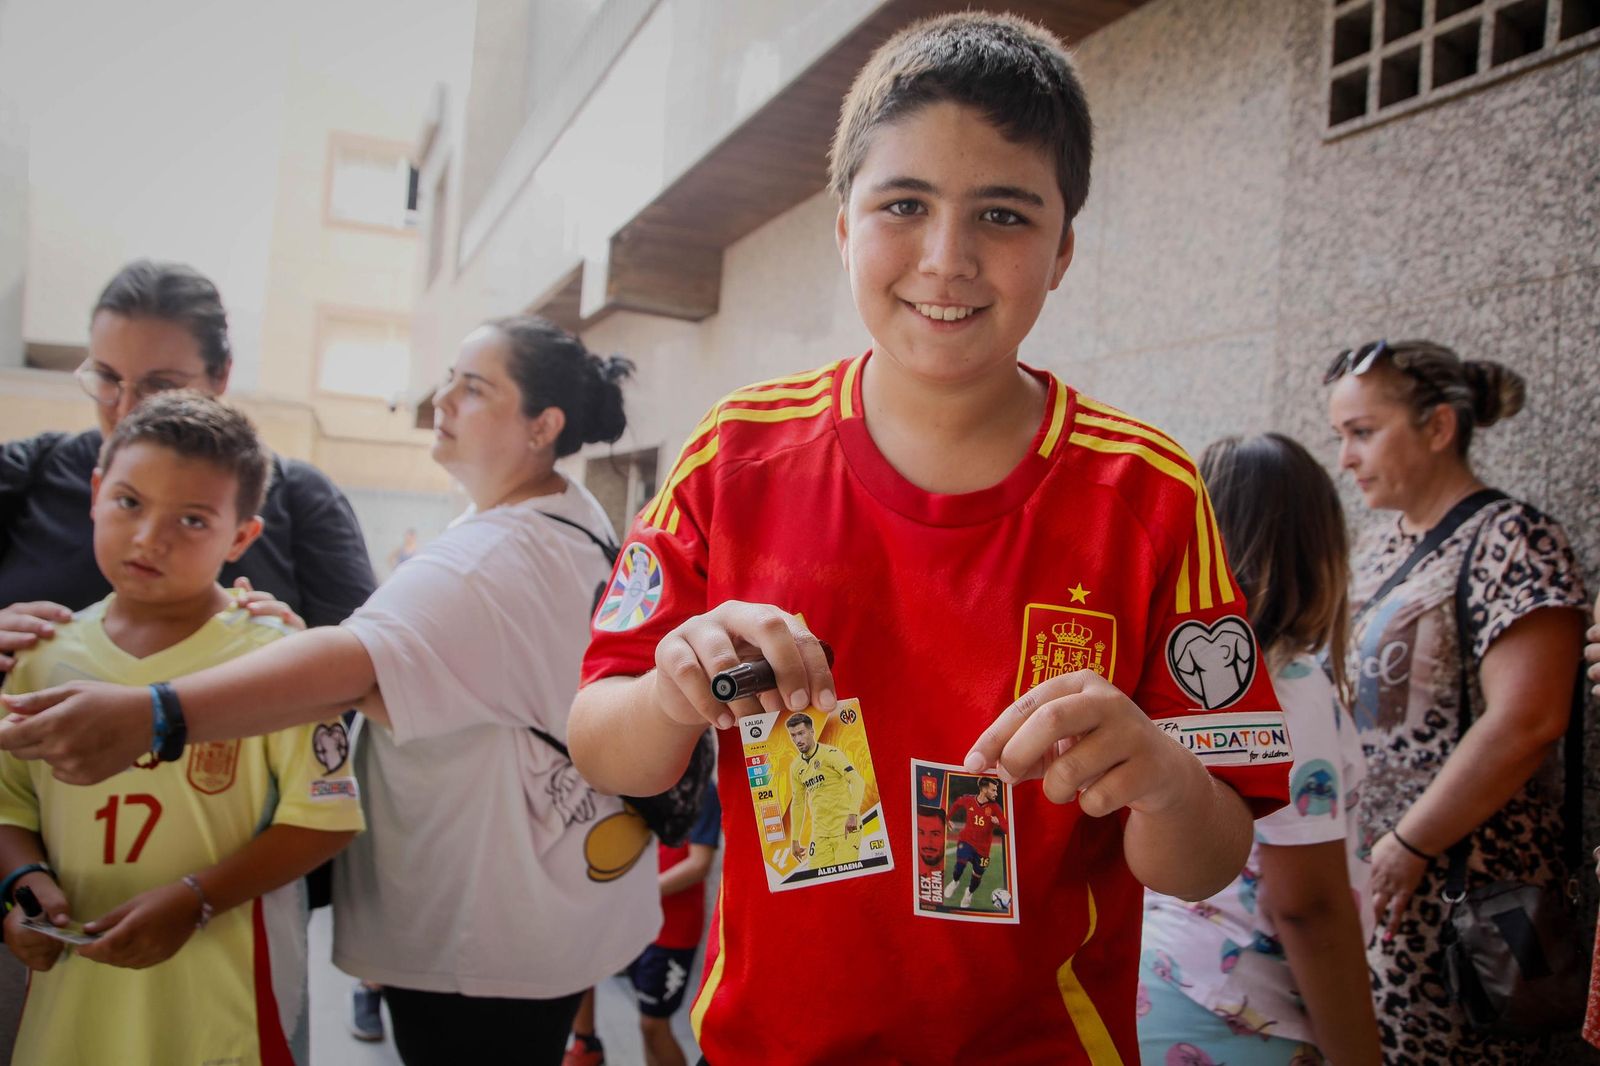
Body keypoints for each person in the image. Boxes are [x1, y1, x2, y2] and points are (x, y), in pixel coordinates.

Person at [564, 13, 1291, 1063]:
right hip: (769, 1044)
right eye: (904, 205)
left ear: (1063, 249)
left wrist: (1164, 774)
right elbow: (600, 735)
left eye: (1002, 213)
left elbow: (1210, 854)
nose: (947, 260)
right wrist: (673, 688)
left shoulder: (1148, 491)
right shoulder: (735, 455)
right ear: (843, 227)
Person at [0, 315, 661, 1066]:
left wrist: (155, 714)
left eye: (472, 388)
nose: (440, 400)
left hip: (486, 929)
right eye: (447, 378)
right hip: (551, 891)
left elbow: (348, 666)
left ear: (542, 425)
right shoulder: (561, 518)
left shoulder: (493, 553)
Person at [0, 258, 375, 1057]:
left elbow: (360, 673)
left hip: (226, 968)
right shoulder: (26, 477)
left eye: (160, 381)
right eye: (105, 378)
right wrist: (20, 886)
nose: (126, 405)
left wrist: (295, 663)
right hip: (62, 972)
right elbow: (11, 806)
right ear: (100, 491)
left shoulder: (294, 507)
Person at [1327, 339, 1587, 1065]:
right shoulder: (1376, 547)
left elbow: (1530, 719)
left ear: (1439, 428)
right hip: (1378, 892)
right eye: (1340, 436)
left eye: (1363, 432)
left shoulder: (1515, 538)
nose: (1346, 458)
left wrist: (1409, 844)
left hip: (1467, 904)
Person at [1140, 433, 1379, 1066]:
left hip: (1154, 982)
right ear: (1317, 551)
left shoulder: (1164, 678)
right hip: (1239, 1015)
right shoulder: (1288, 687)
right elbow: (1308, 908)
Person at [564, 778, 722, 1066]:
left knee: (653, 1027)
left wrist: (640, 891)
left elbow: (699, 865)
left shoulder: (701, 789)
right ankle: (585, 1043)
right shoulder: (638, 777)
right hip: (636, 924)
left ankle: (586, 1045)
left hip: (673, 931)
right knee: (580, 965)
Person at [784, 711, 864, 869]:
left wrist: (853, 814)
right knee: (816, 881)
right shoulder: (796, 767)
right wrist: (794, 840)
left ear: (812, 731)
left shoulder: (830, 754)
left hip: (846, 829)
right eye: (793, 735)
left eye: (801, 733)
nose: (798, 740)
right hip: (820, 834)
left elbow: (857, 781)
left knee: (845, 880)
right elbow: (798, 803)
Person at [943, 776, 1007, 908]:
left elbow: (1006, 828)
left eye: (996, 791)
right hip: (966, 840)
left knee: (977, 877)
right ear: (983, 789)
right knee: (960, 864)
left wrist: (999, 822)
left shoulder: (995, 808)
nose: (996, 793)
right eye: (993, 790)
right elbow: (956, 804)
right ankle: (955, 882)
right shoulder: (968, 800)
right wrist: (947, 818)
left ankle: (969, 893)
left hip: (983, 849)